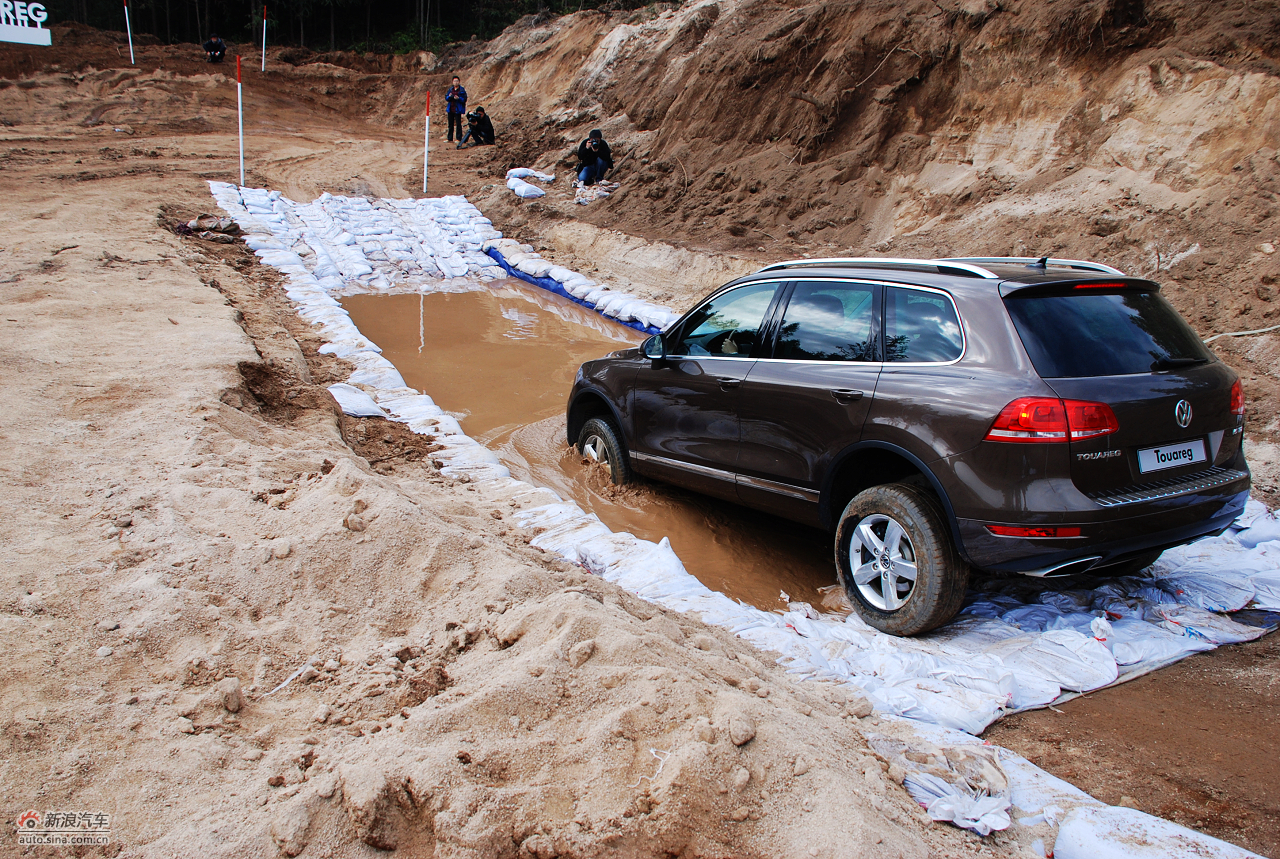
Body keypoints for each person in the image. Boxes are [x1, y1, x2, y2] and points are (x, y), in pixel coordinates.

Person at [445, 76, 467, 143]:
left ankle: (458, 138)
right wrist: (450, 97)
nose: (456, 82)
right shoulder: (450, 90)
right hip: (450, 108)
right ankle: (450, 138)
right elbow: (446, 98)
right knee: (450, 124)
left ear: (459, 82)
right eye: (454, 81)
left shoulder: (462, 90)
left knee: (458, 124)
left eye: (457, 81)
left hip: (458, 109)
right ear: (452, 82)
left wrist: (458, 98)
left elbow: (464, 99)